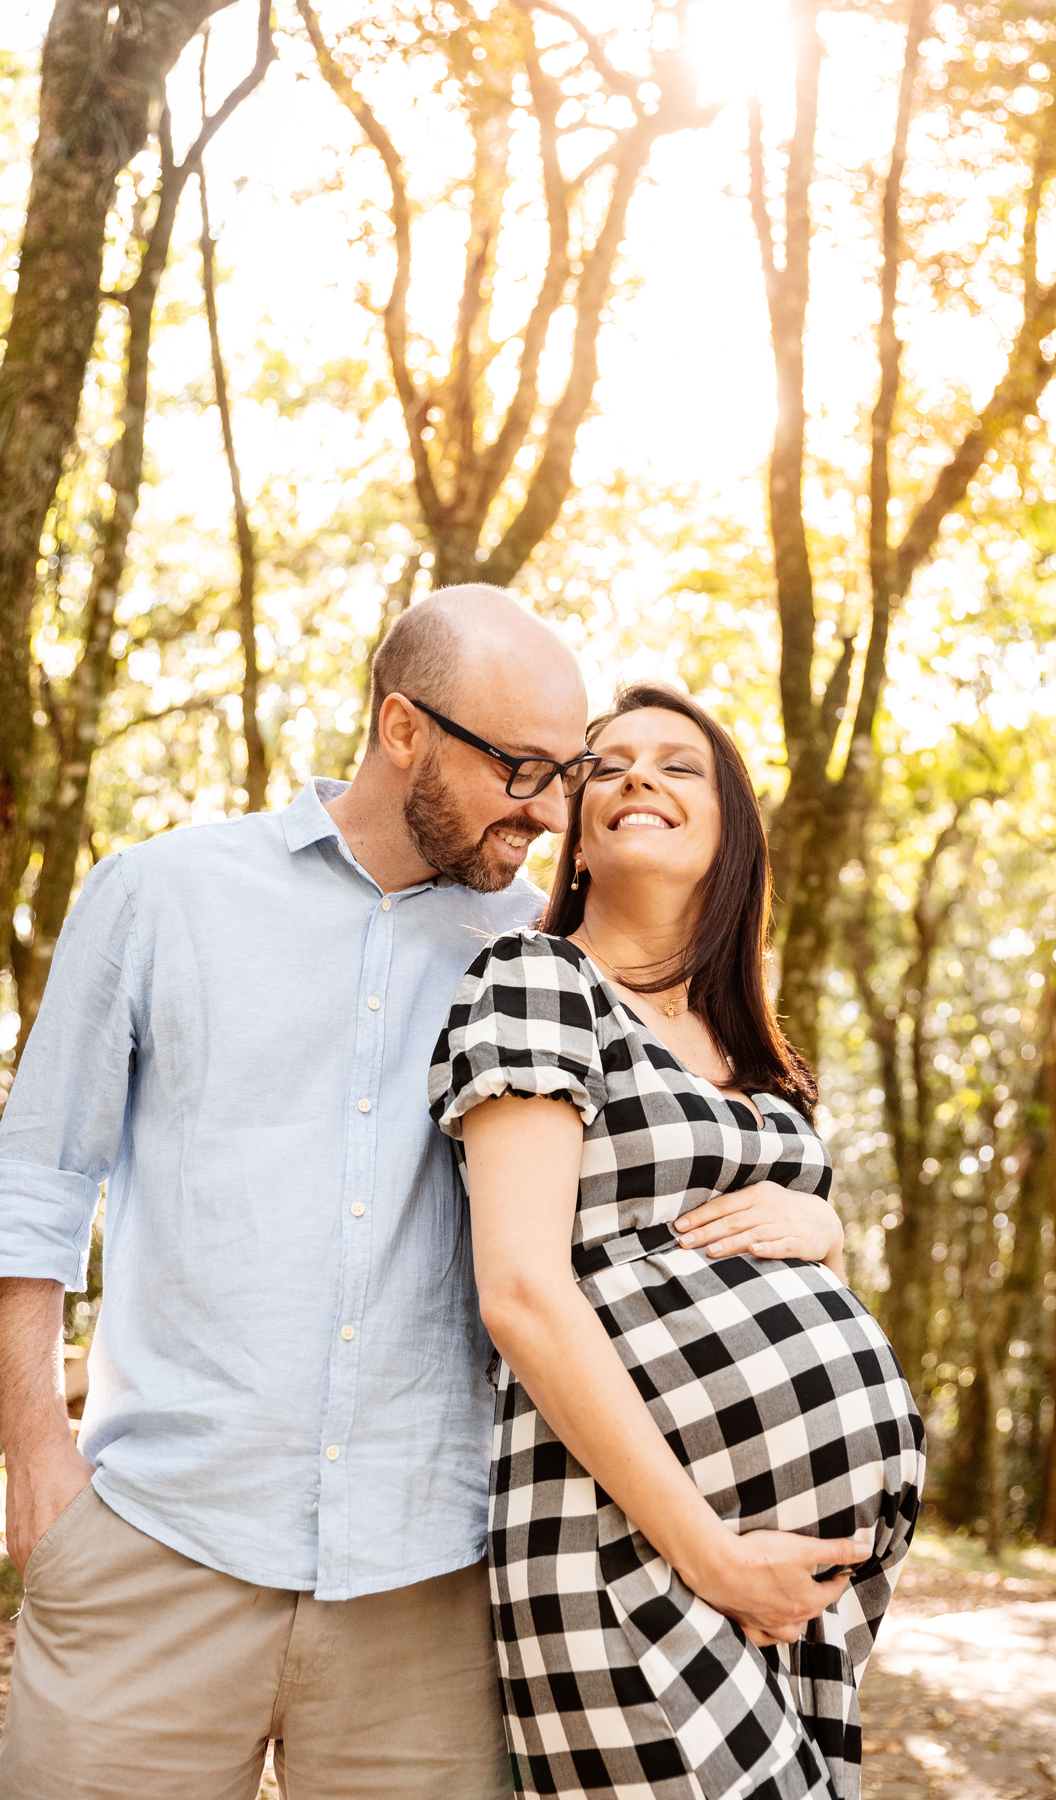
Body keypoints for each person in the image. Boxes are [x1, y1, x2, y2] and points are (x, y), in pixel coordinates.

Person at [0, 591, 846, 1800]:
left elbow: (657, 1186)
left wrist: (814, 1223)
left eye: (565, 774)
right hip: (162, 1542)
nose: (549, 810)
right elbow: (34, 1185)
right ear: (403, 730)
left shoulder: (553, 959)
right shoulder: (161, 894)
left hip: (436, 1583)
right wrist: (35, 1456)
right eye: (521, 769)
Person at [429, 681, 925, 1800]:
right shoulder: (540, 981)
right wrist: (710, 1553)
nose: (636, 777)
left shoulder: (756, 1050)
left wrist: (826, 1231)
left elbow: (789, 1283)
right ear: (577, 834)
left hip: (795, 1583)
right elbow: (520, 1290)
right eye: (605, 766)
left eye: (676, 764)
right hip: (628, 1543)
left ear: (731, 829)